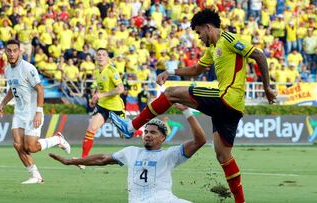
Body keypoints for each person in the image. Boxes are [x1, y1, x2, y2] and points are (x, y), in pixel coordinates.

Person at [110, 9, 277, 203]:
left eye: (199, 33)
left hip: (226, 98)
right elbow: (197, 69)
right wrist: (170, 71)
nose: (199, 38)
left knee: (171, 93)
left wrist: (267, 87)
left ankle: (130, 127)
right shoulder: (213, 48)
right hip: (233, 108)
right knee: (223, 156)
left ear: (208, 27)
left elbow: (258, 55)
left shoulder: (228, 38)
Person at [49, 104, 206, 203]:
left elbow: (200, 141)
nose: (148, 134)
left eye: (153, 132)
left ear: (163, 138)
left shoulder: (170, 155)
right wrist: (72, 161)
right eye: (146, 131)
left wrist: (187, 112)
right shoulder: (131, 152)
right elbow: (102, 158)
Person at [0, 40, 71, 184]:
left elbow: (40, 89)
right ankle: (35, 175)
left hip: (32, 111)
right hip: (19, 112)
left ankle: (57, 139)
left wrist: (38, 112)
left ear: (20, 52)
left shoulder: (27, 68)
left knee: (31, 147)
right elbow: (13, 88)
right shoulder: (7, 70)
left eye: (14, 50)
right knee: (18, 145)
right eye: (9, 50)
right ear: (5, 52)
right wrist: (2, 104)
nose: (11, 53)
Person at [77, 48, 125, 165]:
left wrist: (101, 95)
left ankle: (142, 131)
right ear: (95, 57)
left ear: (108, 58)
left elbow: (121, 89)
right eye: (98, 55)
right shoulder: (97, 71)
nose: (101, 56)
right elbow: (100, 88)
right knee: (91, 129)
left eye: (104, 55)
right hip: (102, 106)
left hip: (116, 108)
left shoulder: (112, 71)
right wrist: (95, 97)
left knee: (126, 134)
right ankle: (83, 160)